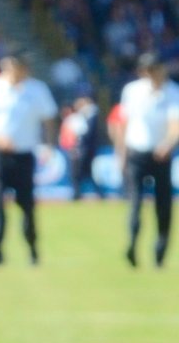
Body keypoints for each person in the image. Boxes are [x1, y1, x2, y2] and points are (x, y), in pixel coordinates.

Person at [0, 49, 57, 266]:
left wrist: (48, 145)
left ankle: (32, 248)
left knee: (27, 205)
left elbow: (48, 119)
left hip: (25, 154)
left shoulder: (37, 89)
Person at [114, 52, 179, 268]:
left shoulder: (172, 92)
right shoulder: (132, 91)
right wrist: (121, 153)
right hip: (136, 153)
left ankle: (160, 251)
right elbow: (122, 123)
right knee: (135, 203)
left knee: (163, 205)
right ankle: (132, 244)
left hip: (161, 155)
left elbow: (175, 125)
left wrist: (167, 144)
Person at [60, 95, 104, 201]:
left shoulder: (81, 117)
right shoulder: (80, 117)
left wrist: (76, 146)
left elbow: (82, 134)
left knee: (77, 173)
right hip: (80, 149)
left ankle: (78, 194)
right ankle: (81, 193)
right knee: (84, 173)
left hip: (81, 150)